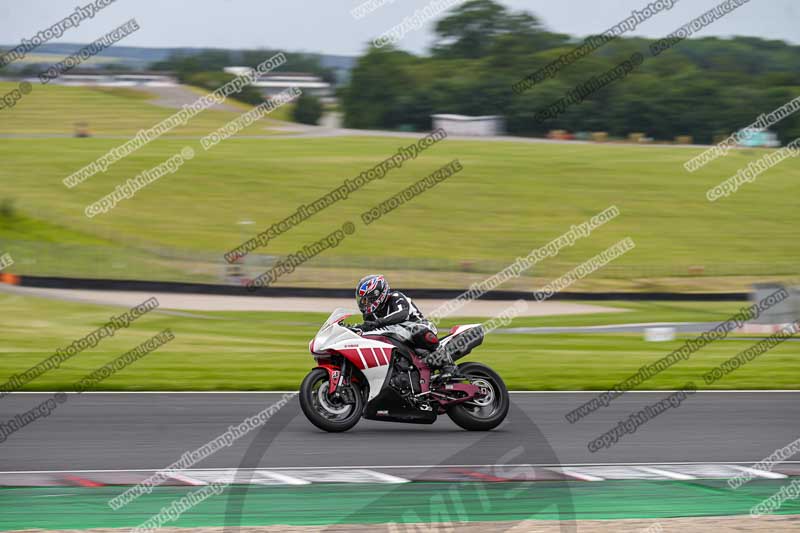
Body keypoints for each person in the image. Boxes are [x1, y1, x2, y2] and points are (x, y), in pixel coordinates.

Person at [351, 274, 460, 379]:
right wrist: (356, 329)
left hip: (419, 329)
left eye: (366, 300)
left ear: (378, 295)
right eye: (362, 300)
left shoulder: (396, 297)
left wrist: (378, 323)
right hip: (397, 338)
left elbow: (402, 314)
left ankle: (448, 365)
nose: (364, 304)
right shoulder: (370, 314)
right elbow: (370, 329)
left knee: (417, 331)